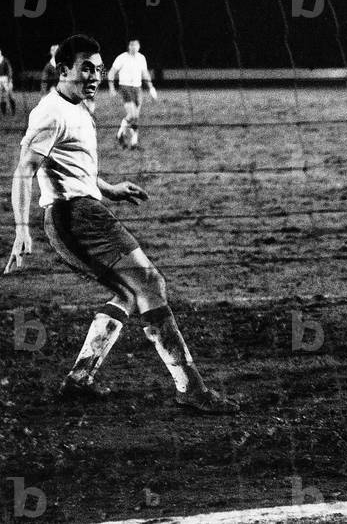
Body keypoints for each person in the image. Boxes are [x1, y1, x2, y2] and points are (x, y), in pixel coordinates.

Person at [6, 34, 237, 414]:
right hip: (77, 217)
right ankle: (191, 389)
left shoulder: (78, 107)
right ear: (63, 70)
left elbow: (73, 166)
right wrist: (21, 230)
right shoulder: (51, 113)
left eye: (97, 68)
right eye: (86, 68)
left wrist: (110, 188)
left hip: (81, 212)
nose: (94, 75)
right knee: (151, 283)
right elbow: (24, 171)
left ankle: (80, 378)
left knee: (129, 294)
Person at [108, 39, 157, 150]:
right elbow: (111, 72)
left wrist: (151, 88)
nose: (133, 47)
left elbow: (145, 73)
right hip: (125, 88)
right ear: (128, 46)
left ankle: (132, 141)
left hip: (137, 88)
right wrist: (111, 87)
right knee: (133, 114)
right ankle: (123, 136)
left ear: (139, 46)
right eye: (131, 44)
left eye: (135, 44)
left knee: (135, 117)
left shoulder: (141, 58)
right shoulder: (122, 58)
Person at [0, 48, 16, 117]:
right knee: (2, 97)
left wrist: (9, 80)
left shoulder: (5, 61)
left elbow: (9, 70)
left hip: (6, 79)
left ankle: (13, 112)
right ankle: (4, 113)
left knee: (10, 95)